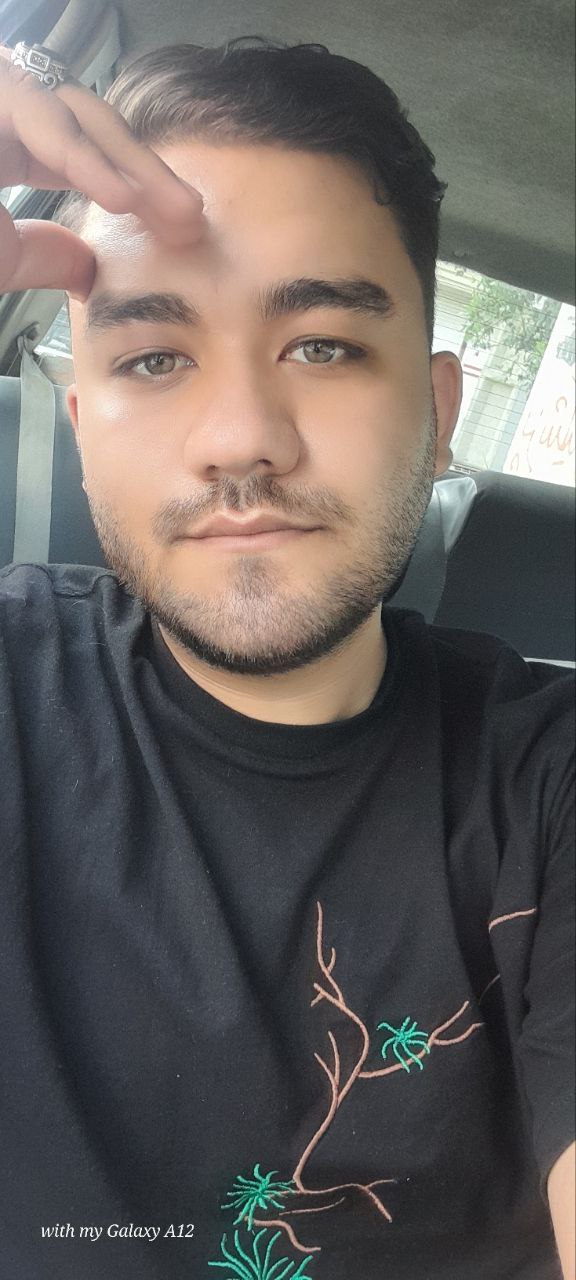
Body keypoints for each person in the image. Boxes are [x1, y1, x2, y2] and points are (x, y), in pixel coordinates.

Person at [0, 34, 573, 1280]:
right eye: (155, 357)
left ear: (437, 414)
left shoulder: (552, 782)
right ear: (82, 429)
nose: (240, 437)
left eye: (322, 344)